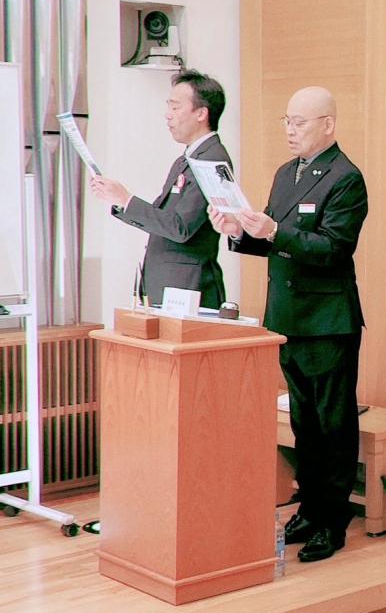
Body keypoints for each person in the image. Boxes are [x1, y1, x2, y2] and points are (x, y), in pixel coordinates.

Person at [209, 86, 368, 563]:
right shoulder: (285, 173)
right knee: (303, 422)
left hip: (328, 321)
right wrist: (239, 233)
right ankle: (310, 509)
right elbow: (273, 241)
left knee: (332, 425)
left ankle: (332, 521)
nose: (291, 130)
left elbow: (333, 249)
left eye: (300, 122)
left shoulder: (346, 178)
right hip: (287, 318)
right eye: (287, 121)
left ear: (328, 124)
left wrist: (276, 230)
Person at [90, 68, 231, 308]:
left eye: (175, 108)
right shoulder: (186, 159)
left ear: (201, 113)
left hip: (188, 287)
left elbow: (180, 227)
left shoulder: (211, 159)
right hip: (168, 285)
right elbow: (162, 217)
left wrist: (126, 200)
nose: (168, 115)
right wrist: (120, 201)